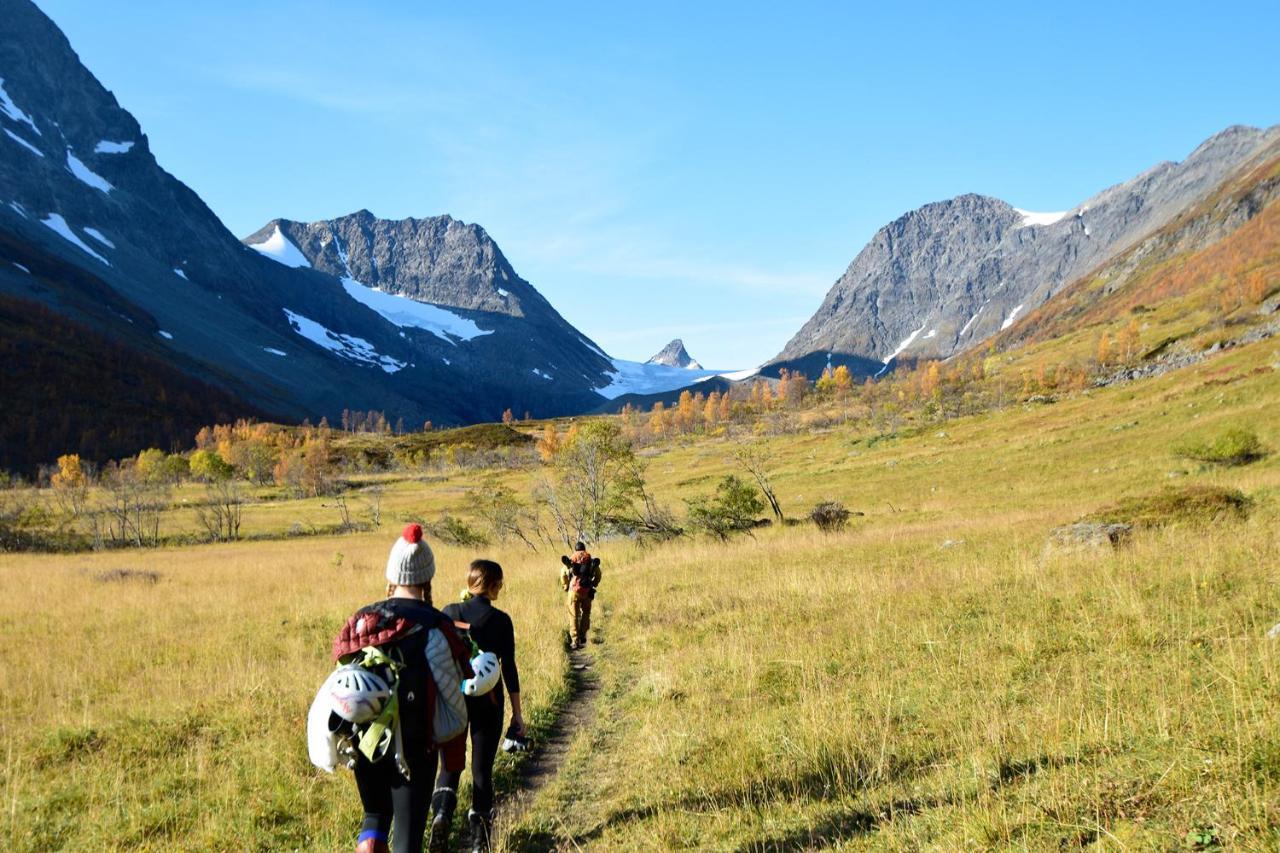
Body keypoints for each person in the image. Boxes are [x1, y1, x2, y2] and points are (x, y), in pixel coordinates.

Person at [331, 524, 472, 853]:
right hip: (414, 748)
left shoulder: (363, 619)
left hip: (363, 741)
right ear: (427, 576)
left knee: (374, 817)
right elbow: (453, 703)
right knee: (407, 839)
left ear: (393, 573)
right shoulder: (436, 627)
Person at [429, 560, 525, 853]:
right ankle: (479, 842)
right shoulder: (501, 620)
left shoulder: (448, 613)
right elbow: (509, 669)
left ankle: (442, 814)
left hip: (453, 699)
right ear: (494, 586)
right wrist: (518, 715)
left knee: (450, 764)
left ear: (470, 582)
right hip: (489, 701)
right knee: (482, 770)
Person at [559, 542, 602, 649]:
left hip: (573, 591)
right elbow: (598, 573)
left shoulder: (571, 559)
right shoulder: (590, 560)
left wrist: (565, 586)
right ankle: (583, 635)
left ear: (575, 550)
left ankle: (574, 640)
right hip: (587, 591)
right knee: (586, 613)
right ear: (584, 549)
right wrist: (594, 584)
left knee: (573, 616)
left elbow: (563, 574)